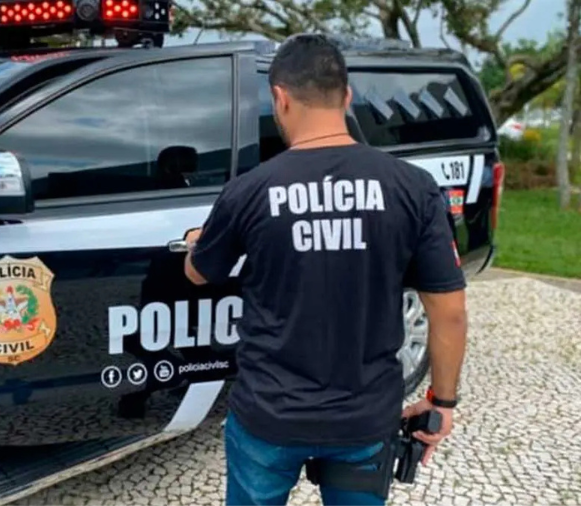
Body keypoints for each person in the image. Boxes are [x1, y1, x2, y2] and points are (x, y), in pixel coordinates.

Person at [182, 34, 468, 506]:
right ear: (347, 96)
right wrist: (442, 402)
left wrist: (197, 242)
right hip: (364, 421)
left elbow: (199, 274)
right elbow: (450, 311)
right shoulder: (413, 188)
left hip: (269, 417)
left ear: (280, 97)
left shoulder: (249, 190)